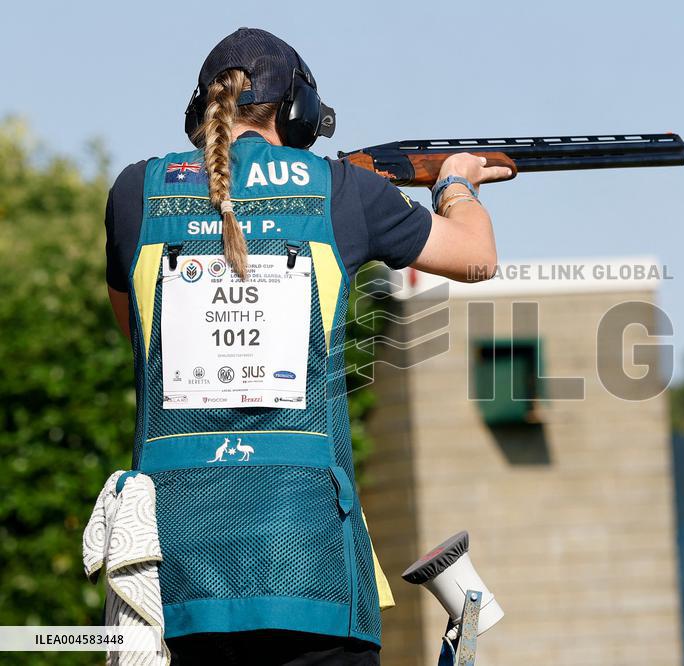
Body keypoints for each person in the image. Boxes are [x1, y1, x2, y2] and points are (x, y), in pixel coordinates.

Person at [103, 27, 505, 665]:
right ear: (299, 115)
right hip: (311, 569)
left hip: (176, 576)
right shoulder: (342, 189)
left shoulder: (133, 193)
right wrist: (457, 182)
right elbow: (477, 257)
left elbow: (138, 336)